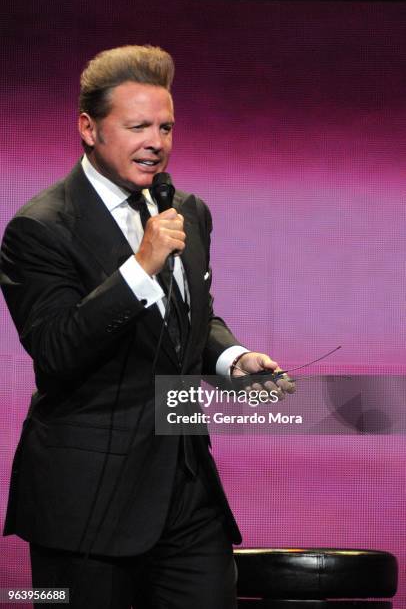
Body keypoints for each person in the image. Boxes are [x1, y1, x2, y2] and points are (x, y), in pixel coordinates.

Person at [0, 45, 294, 608]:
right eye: (137, 126)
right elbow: (56, 348)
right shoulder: (39, 228)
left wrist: (231, 358)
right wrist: (140, 267)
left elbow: (188, 318)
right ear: (89, 129)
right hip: (88, 504)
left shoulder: (186, 209)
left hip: (186, 490)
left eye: (166, 126)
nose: (155, 142)